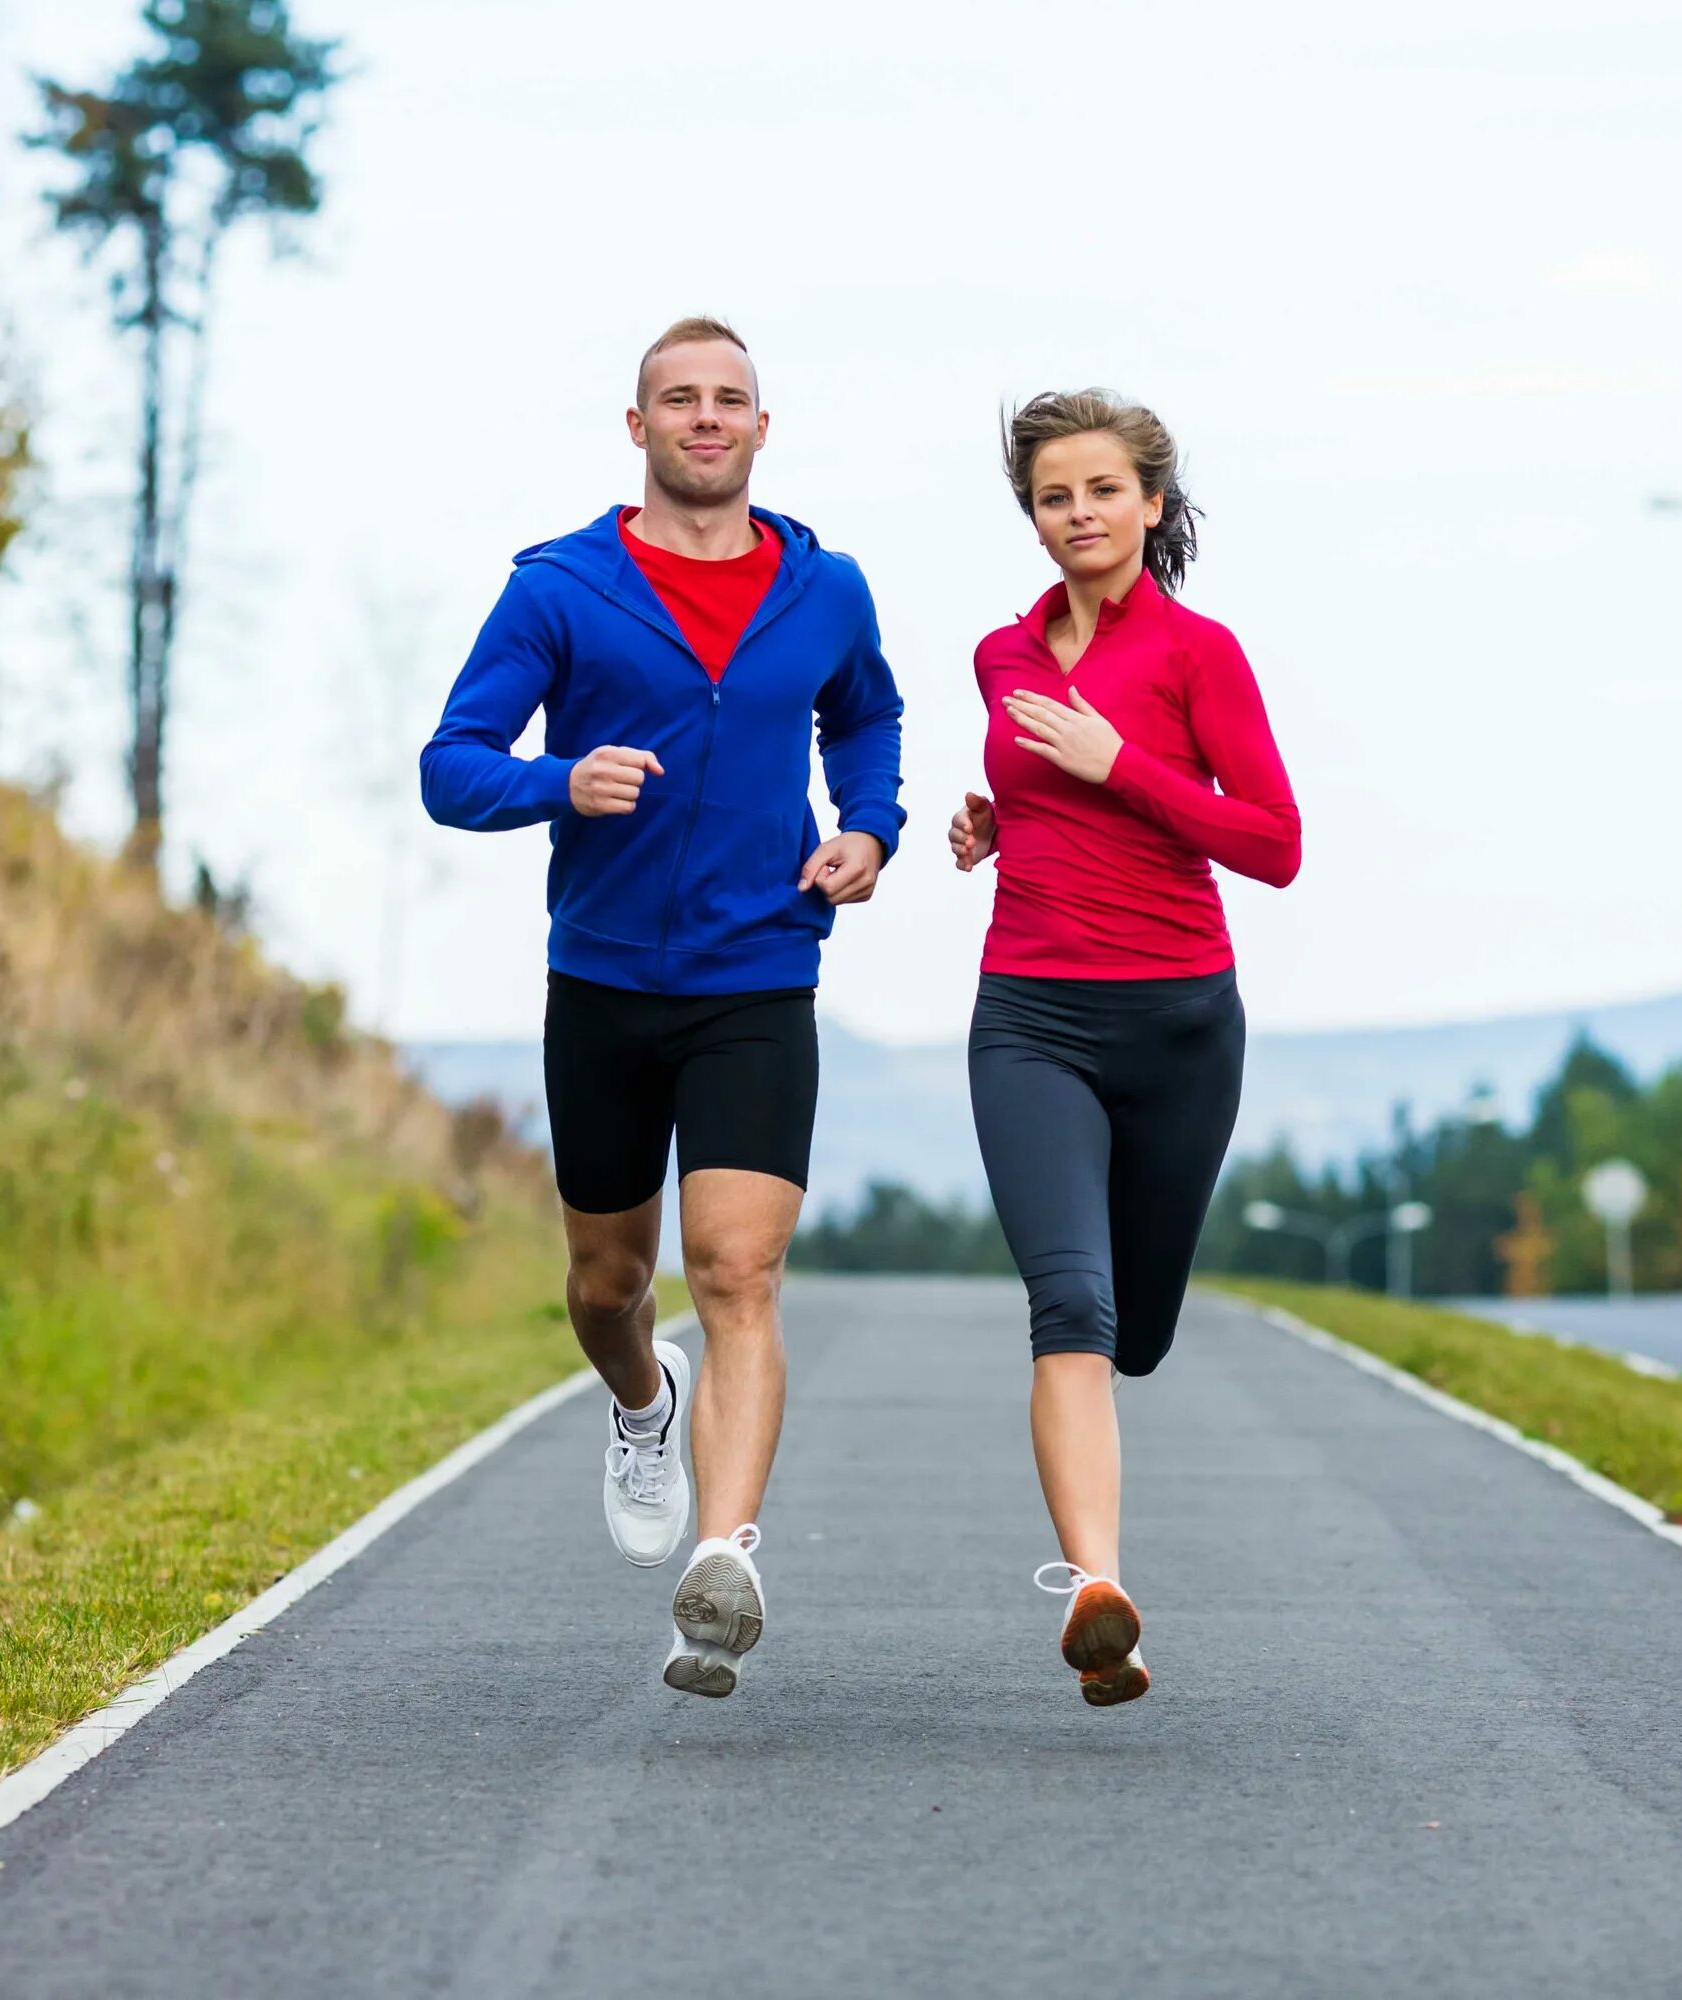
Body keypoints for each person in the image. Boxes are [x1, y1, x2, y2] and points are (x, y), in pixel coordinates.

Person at [421, 317, 905, 1698]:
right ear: (637, 429)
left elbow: (864, 720)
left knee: (737, 1273)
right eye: (678, 400)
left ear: (763, 427)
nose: (706, 419)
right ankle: (643, 1400)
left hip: (761, 969)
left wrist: (866, 830)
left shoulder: (827, 588)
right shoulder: (559, 589)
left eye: (730, 400)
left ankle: (727, 1559)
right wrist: (555, 783)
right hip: (608, 984)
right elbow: (452, 765)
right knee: (609, 1285)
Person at [951, 390, 1301, 1706]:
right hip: (1030, 1012)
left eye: (1103, 489)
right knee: (1071, 1308)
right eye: (1054, 495)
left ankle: (1123, 1382)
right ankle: (1100, 1593)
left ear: (1153, 504)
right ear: (1033, 516)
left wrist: (1116, 767)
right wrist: (1003, 825)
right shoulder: (1002, 656)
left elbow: (1272, 841)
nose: (1079, 514)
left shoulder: (1200, 655)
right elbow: (1037, 790)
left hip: (1180, 1022)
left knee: (1135, 1326)